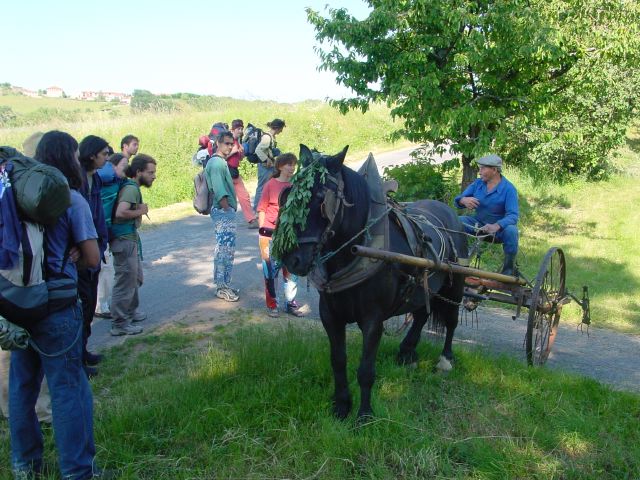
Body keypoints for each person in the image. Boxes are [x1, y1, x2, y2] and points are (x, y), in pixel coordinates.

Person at [10, 130, 102, 479]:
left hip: (21, 305)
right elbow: (92, 258)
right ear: (68, 158)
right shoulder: (71, 198)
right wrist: (75, 253)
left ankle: (25, 466)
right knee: (68, 389)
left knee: (22, 386)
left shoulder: (16, 199)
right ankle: (78, 472)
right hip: (58, 307)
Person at [110, 154, 156, 336]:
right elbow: (120, 213)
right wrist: (141, 210)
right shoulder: (131, 189)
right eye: (150, 172)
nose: (154, 176)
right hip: (123, 240)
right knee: (125, 282)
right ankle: (119, 323)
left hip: (129, 239)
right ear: (138, 172)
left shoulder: (132, 187)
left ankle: (131, 312)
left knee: (134, 278)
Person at [77, 135, 111, 377]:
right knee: (81, 305)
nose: (107, 158)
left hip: (96, 246)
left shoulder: (96, 178)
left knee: (89, 305)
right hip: (82, 250)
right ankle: (77, 359)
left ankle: (84, 351)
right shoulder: (77, 178)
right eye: (104, 154)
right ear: (92, 155)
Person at [454, 153, 519, 276]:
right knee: (456, 221)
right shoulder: (478, 184)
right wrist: (463, 200)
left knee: (512, 231)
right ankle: (459, 260)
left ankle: (508, 270)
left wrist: (497, 225)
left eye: (483, 168)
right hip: (478, 225)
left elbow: (513, 216)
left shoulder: (509, 189)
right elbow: (459, 200)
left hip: (499, 231)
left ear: (494, 170)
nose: (479, 171)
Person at [256, 153, 304, 317]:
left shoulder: (296, 185)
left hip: (289, 234)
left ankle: (290, 303)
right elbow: (262, 208)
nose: (292, 168)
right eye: (289, 164)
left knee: (291, 270)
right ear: (280, 166)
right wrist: (262, 232)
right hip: (270, 233)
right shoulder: (271, 184)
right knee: (270, 271)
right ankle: (272, 304)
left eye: (294, 165)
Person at [204, 131, 239, 302]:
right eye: (226, 143)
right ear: (218, 143)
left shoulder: (219, 162)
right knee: (224, 251)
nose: (229, 146)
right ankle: (221, 287)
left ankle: (225, 283)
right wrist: (227, 208)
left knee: (227, 250)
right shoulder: (217, 164)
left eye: (231, 144)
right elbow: (219, 190)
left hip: (224, 211)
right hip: (223, 212)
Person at [94, 153, 129, 319]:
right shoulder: (110, 181)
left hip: (100, 230)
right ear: (113, 166)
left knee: (101, 268)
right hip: (101, 231)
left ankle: (98, 303)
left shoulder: (103, 180)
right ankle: (101, 305)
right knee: (106, 268)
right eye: (123, 165)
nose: (126, 169)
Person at [227, 119, 258, 228]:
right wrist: (234, 151)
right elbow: (220, 157)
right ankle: (224, 221)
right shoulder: (227, 140)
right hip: (225, 173)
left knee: (244, 196)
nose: (240, 131)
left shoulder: (237, 141)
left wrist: (241, 154)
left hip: (234, 172)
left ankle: (251, 220)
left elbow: (238, 158)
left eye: (241, 128)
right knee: (227, 198)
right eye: (238, 129)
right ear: (232, 129)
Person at [253, 118, 285, 211]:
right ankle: (256, 212)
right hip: (264, 168)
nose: (281, 131)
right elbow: (258, 150)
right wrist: (266, 159)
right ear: (278, 128)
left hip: (270, 167)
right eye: (281, 129)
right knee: (261, 188)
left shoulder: (271, 136)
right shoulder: (267, 137)